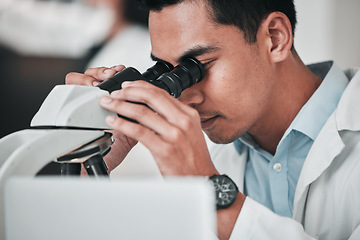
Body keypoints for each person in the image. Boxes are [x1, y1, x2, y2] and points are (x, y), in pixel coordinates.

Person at [65, 0, 360, 239]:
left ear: (274, 38)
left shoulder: (197, 165)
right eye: (169, 72)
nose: (185, 96)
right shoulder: (206, 151)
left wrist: (209, 189)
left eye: (199, 66)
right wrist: (86, 169)